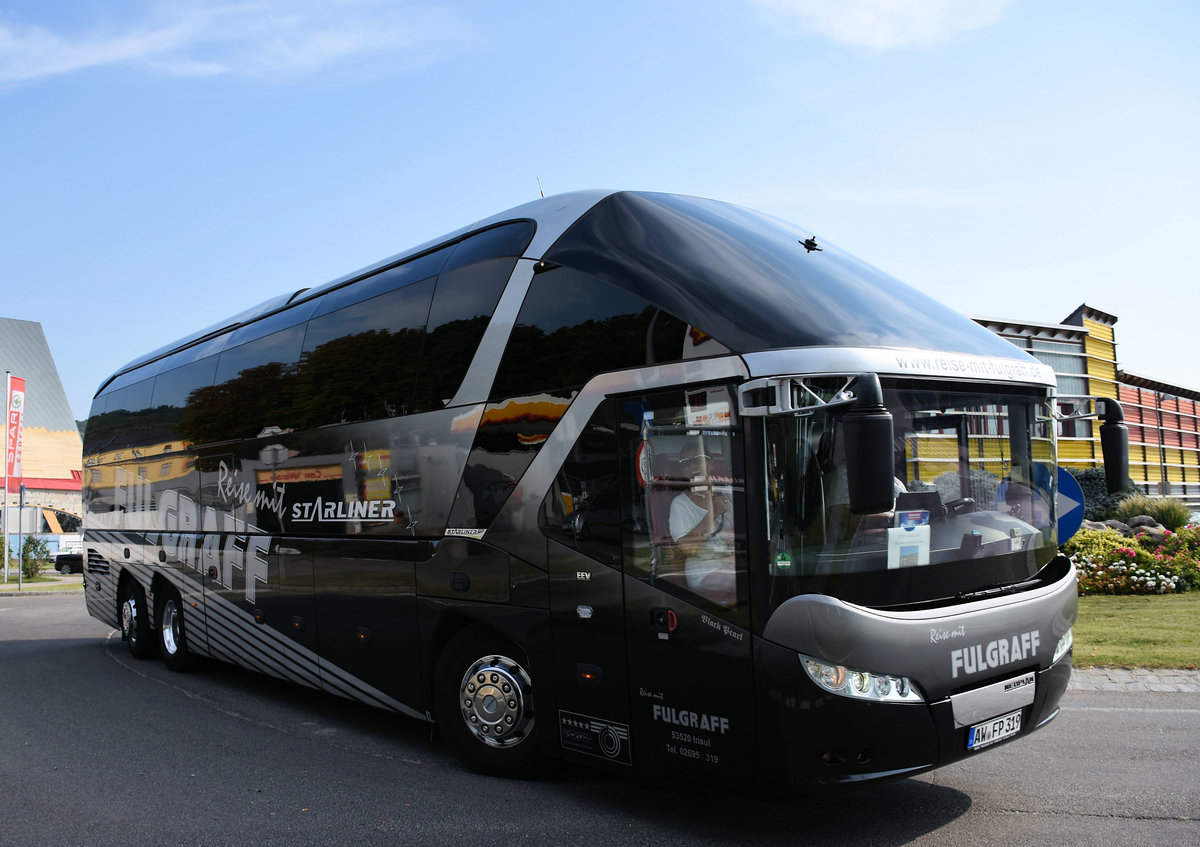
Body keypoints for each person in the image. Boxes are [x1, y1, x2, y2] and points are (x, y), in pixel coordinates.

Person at [668, 443, 736, 605]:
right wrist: (713, 513)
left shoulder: (728, 493)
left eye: (697, 460)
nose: (692, 466)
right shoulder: (680, 504)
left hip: (733, 562)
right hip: (705, 571)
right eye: (686, 462)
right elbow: (688, 548)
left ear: (711, 464)